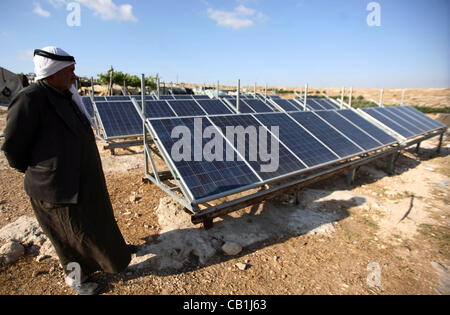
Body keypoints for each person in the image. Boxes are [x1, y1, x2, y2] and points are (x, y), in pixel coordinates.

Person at [1, 46, 132, 295]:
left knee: (94, 224)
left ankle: (111, 257)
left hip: (82, 182)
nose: (73, 75)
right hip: (56, 188)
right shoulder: (30, 99)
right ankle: (76, 280)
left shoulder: (65, 95)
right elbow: (13, 148)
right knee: (67, 237)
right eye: (69, 71)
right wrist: (42, 171)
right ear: (52, 72)